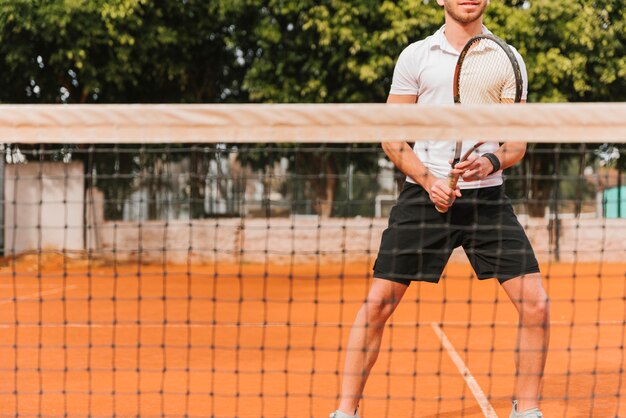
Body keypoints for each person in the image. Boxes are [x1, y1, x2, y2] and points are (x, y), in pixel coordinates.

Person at [329, 1, 549, 417]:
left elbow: (515, 144)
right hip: (422, 198)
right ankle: (345, 410)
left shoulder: (507, 57)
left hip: (487, 200)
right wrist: (429, 181)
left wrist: (490, 162)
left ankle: (528, 408)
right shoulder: (416, 56)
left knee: (536, 303)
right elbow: (392, 137)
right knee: (377, 304)